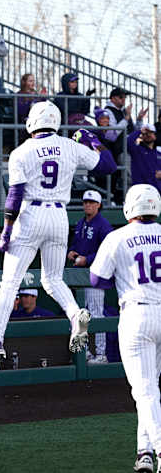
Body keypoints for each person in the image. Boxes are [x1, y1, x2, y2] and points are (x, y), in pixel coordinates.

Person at [0, 102, 117, 371]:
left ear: (32, 122)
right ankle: (75, 314)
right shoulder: (70, 145)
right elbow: (109, 166)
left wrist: (6, 231)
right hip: (59, 215)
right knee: (52, 279)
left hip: (31, 214)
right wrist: (93, 140)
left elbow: (15, 195)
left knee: (9, 283)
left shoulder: (21, 151)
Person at [89, 184, 161, 473]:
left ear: (130, 207)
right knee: (150, 390)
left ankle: (158, 448)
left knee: (145, 393)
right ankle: (144, 452)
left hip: (137, 313)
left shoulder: (117, 236)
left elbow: (96, 280)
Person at [67, 190, 113, 364]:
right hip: (79, 275)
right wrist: (71, 252)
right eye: (86, 202)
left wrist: (88, 259)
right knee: (80, 314)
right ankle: (83, 353)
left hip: (95, 275)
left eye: (91, 202)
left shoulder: (103, 224)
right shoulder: (81, 222)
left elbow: (108, 250)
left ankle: (101, 354)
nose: (88, 205)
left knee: (96, 314)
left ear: (98, 205)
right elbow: (76, 244)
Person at [103, 87, 148, 161]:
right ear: (113, 99)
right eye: (121, 97)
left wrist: (139, 119)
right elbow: (111, 135)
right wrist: (126, 118)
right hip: (120, 150)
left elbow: (134, 131)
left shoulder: (124, 111)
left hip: (131, 147)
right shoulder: (107, 111)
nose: (123, 99)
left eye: (125, 97)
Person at [126, 123, 160, 193]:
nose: (148, 135)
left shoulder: (159, 152)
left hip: (158, 191)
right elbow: (128, 142)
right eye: (145, 133)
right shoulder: (136, 150)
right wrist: (140, 131)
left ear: (155, 135)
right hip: (141, 192)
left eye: (150, 132)